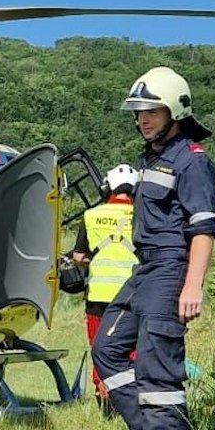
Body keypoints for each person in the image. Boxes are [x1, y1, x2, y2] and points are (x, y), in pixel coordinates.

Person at [91, 69, 215, 430]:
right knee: (106, 350)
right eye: (138, 112)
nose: (142, 119)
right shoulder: (151, 158)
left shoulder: (192, 161)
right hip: (144, 268)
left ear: (175, 110)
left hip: (170, 268)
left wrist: (192, 285)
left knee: (156, 364)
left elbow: (203, 228)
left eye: (151, 110)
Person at [70, 165, 139, 406]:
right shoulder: (143, 215)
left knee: (100, 349)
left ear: (106, 187)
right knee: (131, 350)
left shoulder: (91, 216)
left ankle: (105, 400)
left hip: (98, 297)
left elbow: (78, 258)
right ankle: (130, 400)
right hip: (132, 296)